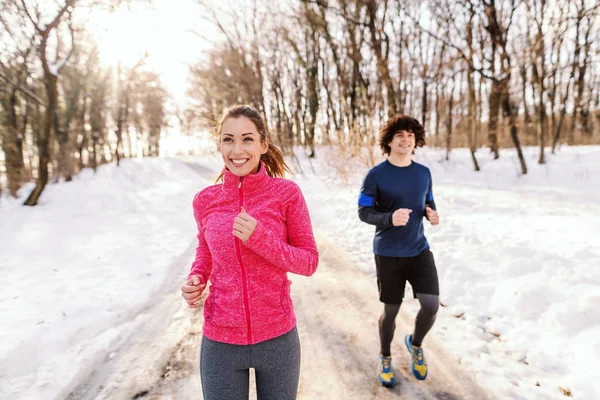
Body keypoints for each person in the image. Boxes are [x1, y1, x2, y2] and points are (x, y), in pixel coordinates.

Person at [180, 104, 319, 400]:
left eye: (247, 139)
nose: (237, 149)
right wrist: (196, 277)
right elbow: (206, 250)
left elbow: (309, 262)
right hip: (221, 341)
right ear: (220, 145)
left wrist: (260, 238)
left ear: (263, 145)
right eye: (228, 139)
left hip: (277, 340)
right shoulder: (205, 201)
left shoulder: (285, 194)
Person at [357, 114, 440, 388]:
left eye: (410, 135)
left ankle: (415, 344)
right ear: (389, 141)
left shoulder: (423, 173)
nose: (406, 139)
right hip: (389, 252)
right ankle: (384, 356)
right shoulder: (376, 175)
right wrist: (389, 218)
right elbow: (363, 211)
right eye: (400, 135)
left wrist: (431, 213)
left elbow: (428, 200)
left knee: (430, 305)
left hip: (418, 250)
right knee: (391, 310)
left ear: (416, 141)